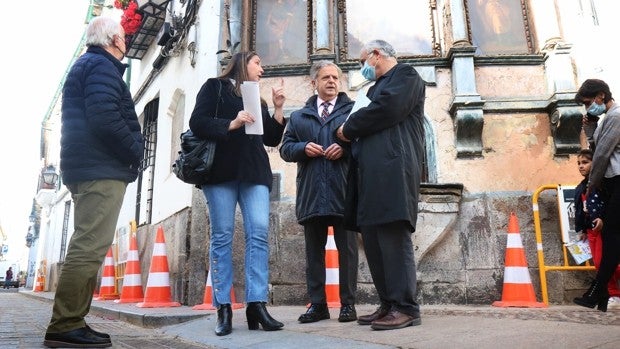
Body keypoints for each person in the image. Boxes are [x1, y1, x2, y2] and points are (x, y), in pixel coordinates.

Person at [43, 16, 144, 348]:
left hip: (89, 166)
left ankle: (74, 320)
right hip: (100, 168)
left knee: (88, 244)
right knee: (89, 247)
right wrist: (134, 150)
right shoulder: (100, 67)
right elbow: (104, 118)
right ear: (113, 39)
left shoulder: (90, 66)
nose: (127, 41)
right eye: (123, 37)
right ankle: (65, 324)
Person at [189, 51, 286, 336]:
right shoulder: (215, 87)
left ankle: (256, 304)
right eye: (258, 62)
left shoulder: (258, 97)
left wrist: (278, 108)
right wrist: (231, 123)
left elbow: (270, 138)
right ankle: (224, 307)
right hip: (220, 172)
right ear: (243, 63)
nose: (262, 68)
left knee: (258, 233)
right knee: (222, 236)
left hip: (254, 172)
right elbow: (198, 121)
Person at [336, 39, 425, 330]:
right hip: (369, 173)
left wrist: (348, 127)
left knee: (392, 236)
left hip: (393, 168)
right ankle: (387, 303)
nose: (363, 67)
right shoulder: (371, 89)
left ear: (376, 55)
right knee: (373, 239)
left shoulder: (406, 76)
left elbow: (387, 109)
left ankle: (405, 307)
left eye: (363, 61)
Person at [280, 61, 359, 323]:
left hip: (343, 191)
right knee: (314, 254)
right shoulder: (300, 116)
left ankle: (348, 304)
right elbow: (285, 148)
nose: (332, 81)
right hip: (312, 192)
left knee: (347, 252)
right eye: (326, 77)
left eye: (336, 77)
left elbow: (364, 145)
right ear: (314, 82)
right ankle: (318, 305)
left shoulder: (352, 112)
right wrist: (303, 148)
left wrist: (345, 150)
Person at [573, 79, 620, 312]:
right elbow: (593, 147)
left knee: (611, 238)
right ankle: (599, 294)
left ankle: (598, 292)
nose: (588, 107)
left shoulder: (616, 116)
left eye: (589, 102)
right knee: (612, 239)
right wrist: (590, 126)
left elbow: (600, 157)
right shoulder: (604, 121)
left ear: (601, 96)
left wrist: (591, 185)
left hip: (617, 180)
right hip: (611, 183)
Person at [573, 149, 620, 309]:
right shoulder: (582, 186)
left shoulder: (600, 183)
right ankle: (605, 295)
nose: (581, 166)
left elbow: (603, 204)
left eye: (585, 162)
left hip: (600, 227)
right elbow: (582, 209)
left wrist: (601, 217)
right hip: (590, 230)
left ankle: (613, 293)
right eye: (578, 163)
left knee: (606, 262)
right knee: (599, 263)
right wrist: (582, 229)